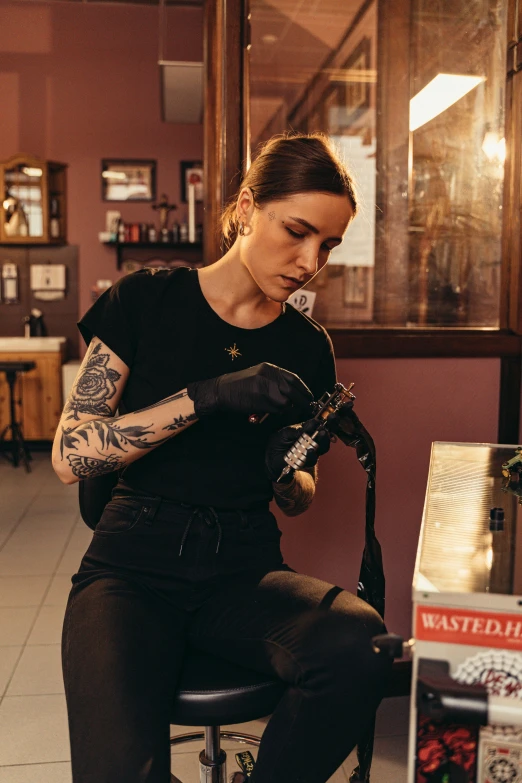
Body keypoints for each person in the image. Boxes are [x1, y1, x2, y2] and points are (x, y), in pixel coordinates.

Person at [54, 132, 390, 783]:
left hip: (242, 565)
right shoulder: (146, 299)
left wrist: (288, 467)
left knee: (362, 644)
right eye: (296, 231)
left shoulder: (307, 345)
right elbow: (70, 454)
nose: (309, 259)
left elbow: (301, 489)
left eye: (328, 244)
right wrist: (207, 397)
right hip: (132, 565)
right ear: (244, 207)